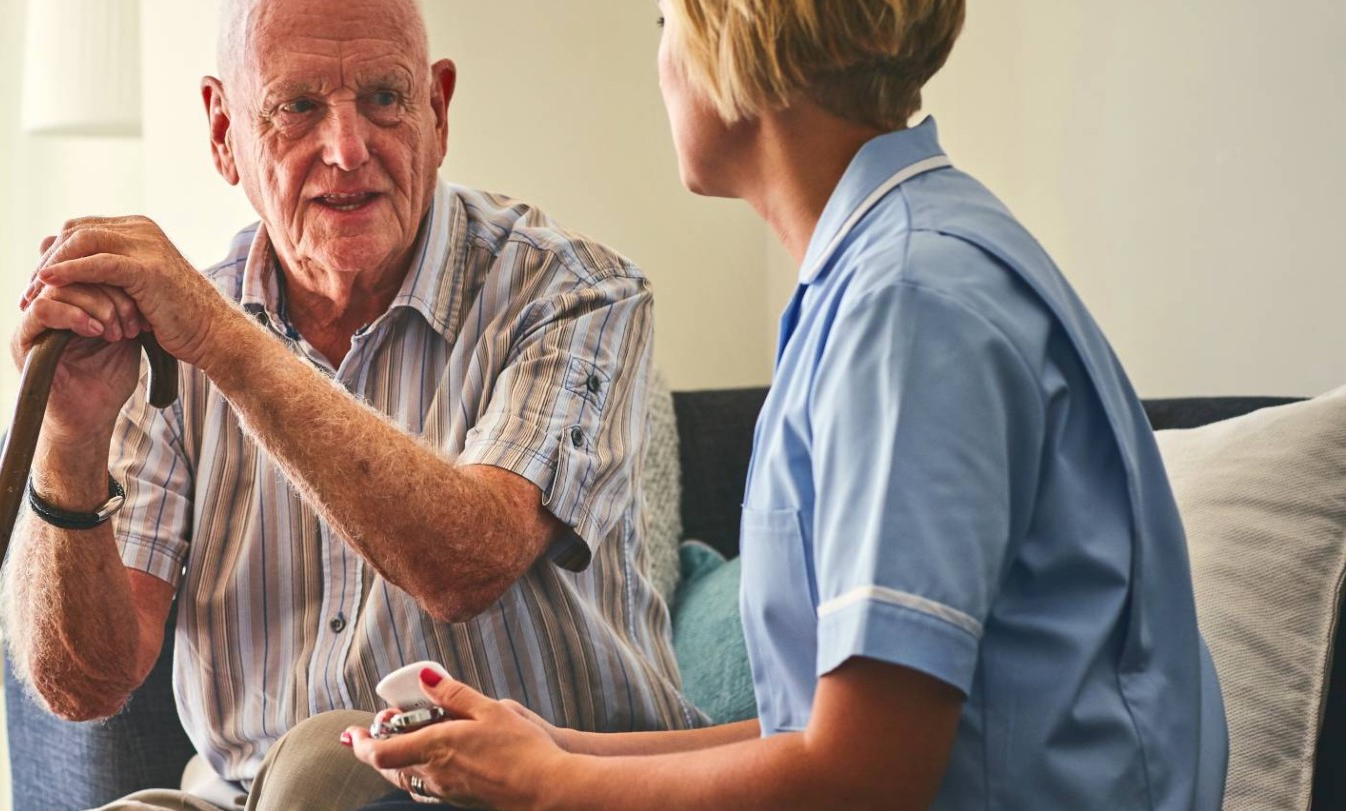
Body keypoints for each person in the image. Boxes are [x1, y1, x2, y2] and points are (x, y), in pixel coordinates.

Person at [343, 1, 1230, 809]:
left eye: (663, 24)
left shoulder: (907, 305)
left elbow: (863, 778)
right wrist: (552, 747)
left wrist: (550, 785)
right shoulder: (893, 268)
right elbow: (820, 733)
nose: (659, 65)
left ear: (733, 45)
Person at [5, 0, 700, 808]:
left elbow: (466, 563)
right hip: (244, 795)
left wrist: (220, 339)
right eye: (297, 108)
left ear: (437, 111)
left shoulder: (577, 296)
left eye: (383, 98)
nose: (346, 149)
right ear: (224, 132)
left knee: (322, 770)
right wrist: (70, 439)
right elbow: (85, 685)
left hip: (528, 794)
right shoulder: (171, 337)